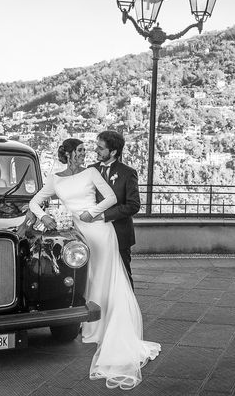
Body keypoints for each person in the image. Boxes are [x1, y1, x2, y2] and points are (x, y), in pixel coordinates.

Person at [29, 138, 160, 390]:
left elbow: (111, 198)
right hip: (79, 232)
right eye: (78, 151)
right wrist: (44, 216)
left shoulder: (91, 172)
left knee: (103, 276)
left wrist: (94, 213)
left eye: (84, 151)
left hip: (100, 230)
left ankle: (103, 328)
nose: (84, 154)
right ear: (67, 154)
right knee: (88, 278)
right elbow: (35, 201)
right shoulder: (55, 178)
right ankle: (91, 327)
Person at [90, 130, 140, 288]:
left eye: (100, 148)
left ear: (113, 152)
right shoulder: (90, 170)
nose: (96, 150)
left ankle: (127, 311)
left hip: (119, 234)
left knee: (123, 276)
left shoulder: (128, 173)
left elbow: (133, 205)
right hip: (95, 234)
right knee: (96, 276)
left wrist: (105, 215)